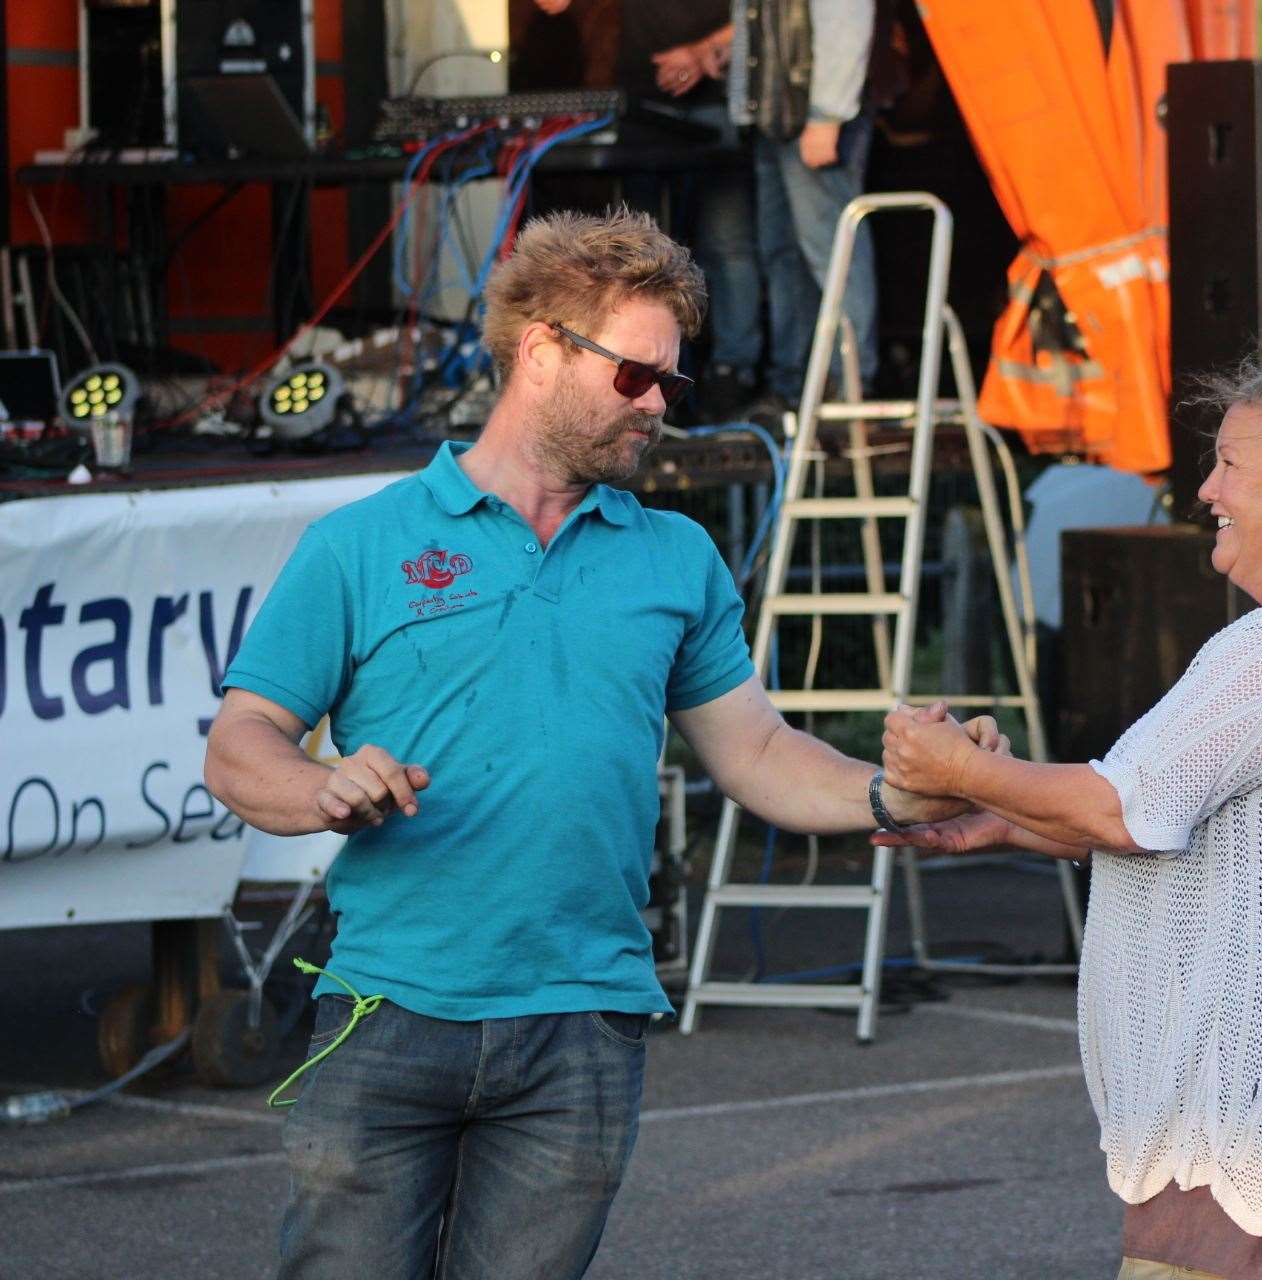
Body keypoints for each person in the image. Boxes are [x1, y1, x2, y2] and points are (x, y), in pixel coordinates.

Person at [202, 208, 990, 1280]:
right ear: (541, 353)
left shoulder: (676, 556)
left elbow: (756, 751)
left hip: (585, 1021)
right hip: (391, 1007)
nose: (660, 404)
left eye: (671, 381)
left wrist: (904, 790)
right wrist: (323, 785)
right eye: (636, 376)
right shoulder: (362, 542)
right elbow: (241, 741)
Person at [874, 309, 1262, 1280]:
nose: (1206, 491)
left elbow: (1125, 807)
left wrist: (952, 765)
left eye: (1231, 464)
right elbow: (1214, 825)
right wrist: (1009, 815)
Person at [528, 0, 765, 421]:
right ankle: (644, 370)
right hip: (643, 93)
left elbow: (765, 12)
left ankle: (732, 373)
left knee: (728, 247)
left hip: (721, 93)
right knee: (641, 255)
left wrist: (703, 50)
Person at [725, 0, 882, 408]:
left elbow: (846, 19)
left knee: (831, 249)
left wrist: (828, 113)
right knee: (784, 253)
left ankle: (848, 381)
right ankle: (795, 382)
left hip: (812, 112)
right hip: (777, 114)